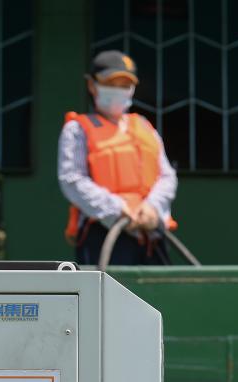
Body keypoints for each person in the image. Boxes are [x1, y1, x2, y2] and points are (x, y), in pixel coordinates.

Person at [58, 50, 177, 265]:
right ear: (92, 85)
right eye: (111, 84)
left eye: (125, 85)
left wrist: (151, 208)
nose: (118, 90)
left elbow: (167, 175)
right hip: (104, 234)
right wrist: (117, 209)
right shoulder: (78, 129)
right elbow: (72, 179)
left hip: (151, 234)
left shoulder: (144, 126)